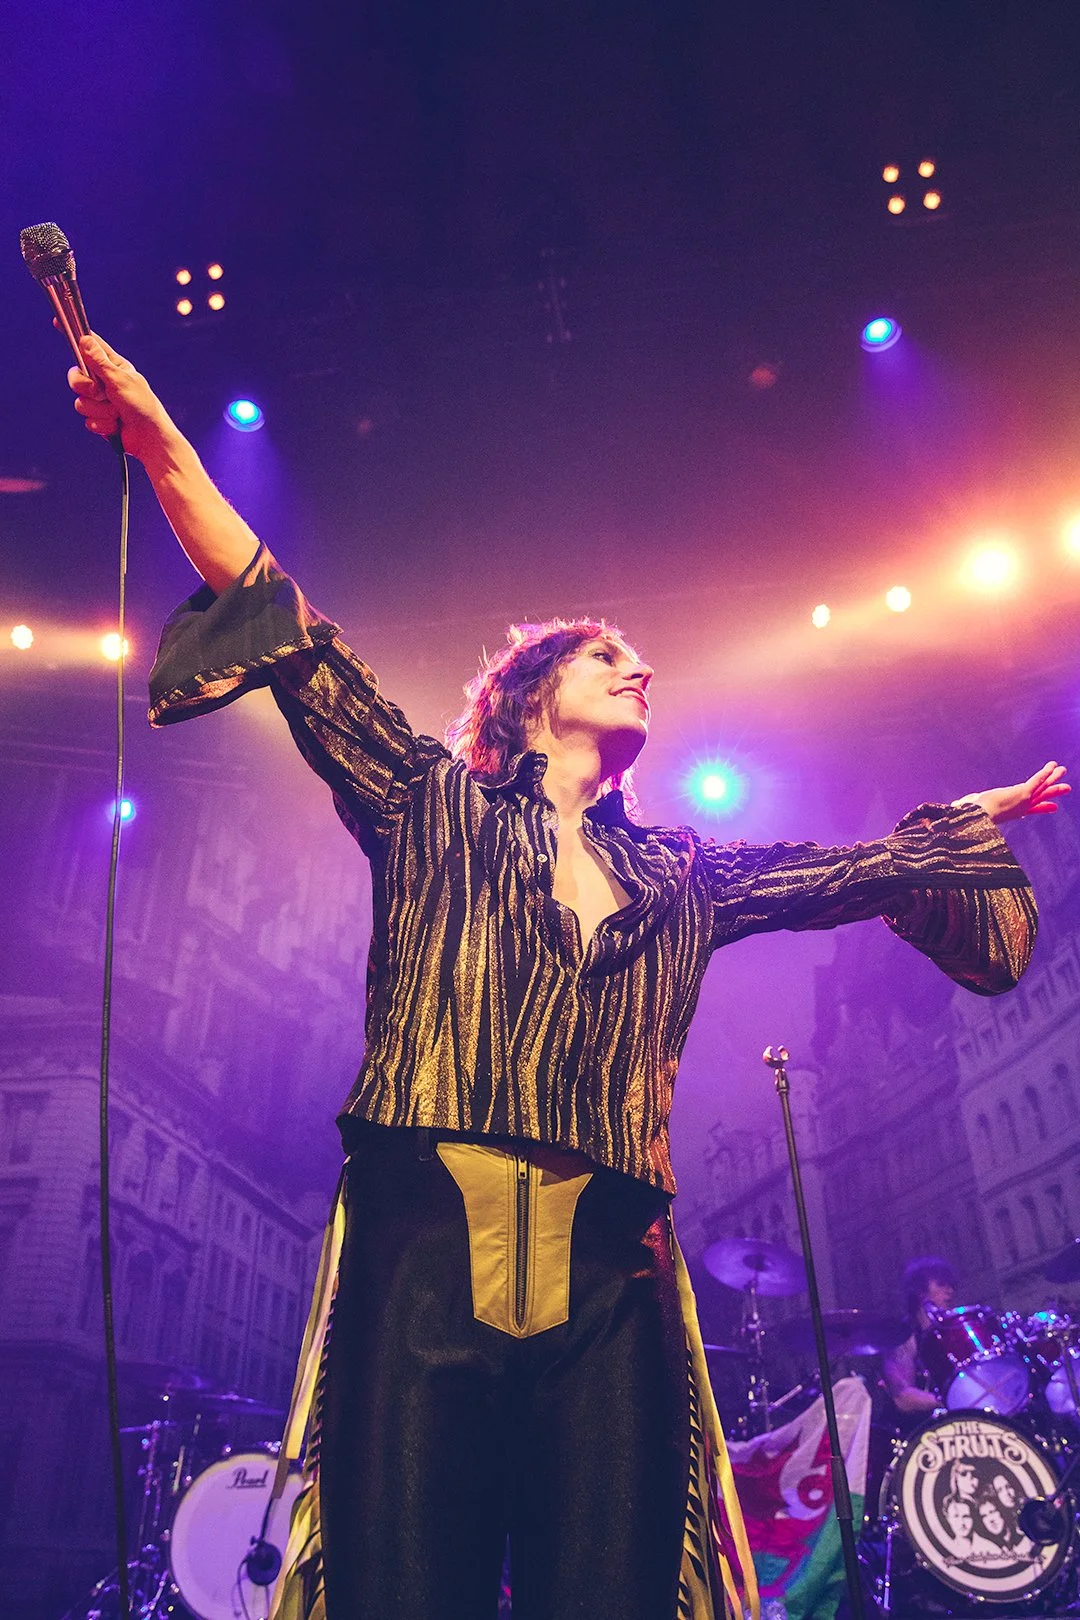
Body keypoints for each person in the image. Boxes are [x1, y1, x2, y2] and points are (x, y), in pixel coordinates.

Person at [67, 333, 1066, 1620]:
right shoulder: (429, 802)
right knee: (399, 1589)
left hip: (616, 1275)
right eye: (608, 658)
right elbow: (281, 611)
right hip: (424, 1246)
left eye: (638, 661)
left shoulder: (683, 876)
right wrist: (156, 437)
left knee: (614, 1591)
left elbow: (845, 870)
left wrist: (956, 824)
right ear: (533, 698)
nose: (640, 668)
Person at [882, 1256, 959, 1418]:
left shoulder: (954, 1331)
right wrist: (951, 1400)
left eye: (951, 1285)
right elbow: (902, 1397)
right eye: (941, 1284)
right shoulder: (904, 1335)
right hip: (922, 1429)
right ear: (921, 1292)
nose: (950, 1290)